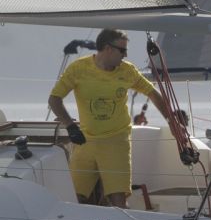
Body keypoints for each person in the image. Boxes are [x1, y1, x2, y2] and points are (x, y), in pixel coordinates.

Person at [48, 29, 172, 208]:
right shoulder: (78, 69)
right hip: (85, 140)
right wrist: (70, 127)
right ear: (108, 49)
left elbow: (152, 93)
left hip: (116, 141)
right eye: (122, 50)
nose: (125, 55)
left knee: (118, 201)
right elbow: (54, 99)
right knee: (75, 198)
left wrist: (171, 120)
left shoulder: (127, 71)